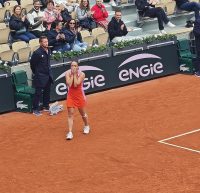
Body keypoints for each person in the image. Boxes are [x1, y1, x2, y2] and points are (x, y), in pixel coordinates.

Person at [65, 61, 90, 140]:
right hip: (70, 96)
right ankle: (70, 132)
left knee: (82, 113)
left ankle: (86, 125)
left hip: (79, 96)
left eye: (75, 66)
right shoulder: (67, 73)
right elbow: (69, 84)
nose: (73, 67)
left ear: (78, 67)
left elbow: (76, 84)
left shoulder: (82, 74)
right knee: (70, 114)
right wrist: (72, 74)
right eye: (72, 65)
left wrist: (74, 74)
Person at [30, 36, 53, 116]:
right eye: (44, 42)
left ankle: (46, 106)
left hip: (48, 75)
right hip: (40, 76)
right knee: (38, 93)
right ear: (40, 43)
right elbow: (32, 64)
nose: (46, 43)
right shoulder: (37, 53)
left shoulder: (49, 50)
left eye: (47, 41)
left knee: (47, 92)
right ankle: (35, 109)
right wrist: (37, 72)